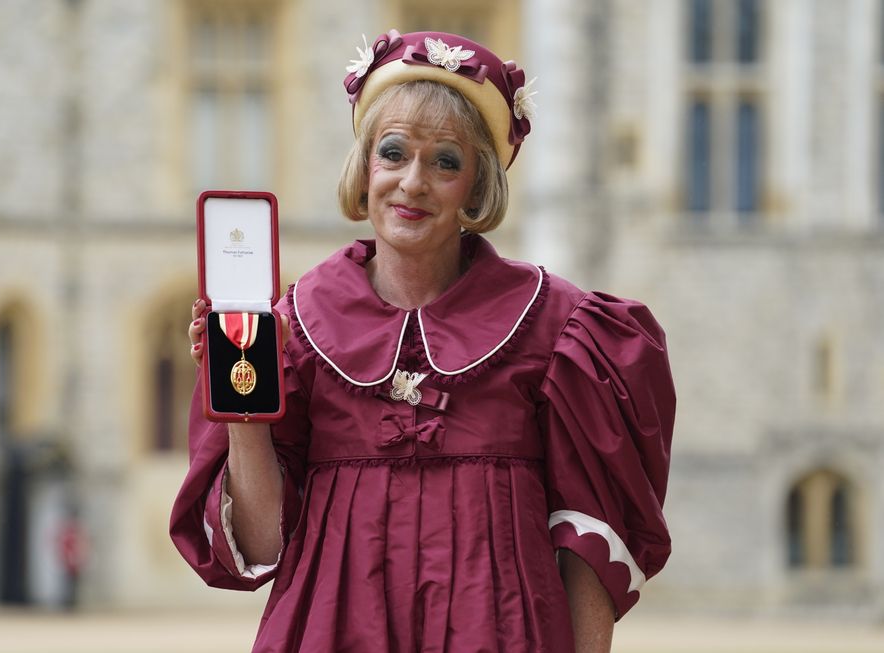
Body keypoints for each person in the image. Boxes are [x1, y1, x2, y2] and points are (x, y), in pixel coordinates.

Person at [171, 29, 675, 653]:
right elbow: (263, 547)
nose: (413, 182)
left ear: (477, 185)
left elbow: (589, 547)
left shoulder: (561, 330)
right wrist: (243, 399)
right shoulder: (294, 328)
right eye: (393, 152)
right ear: (364, 168)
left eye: (445, 161)